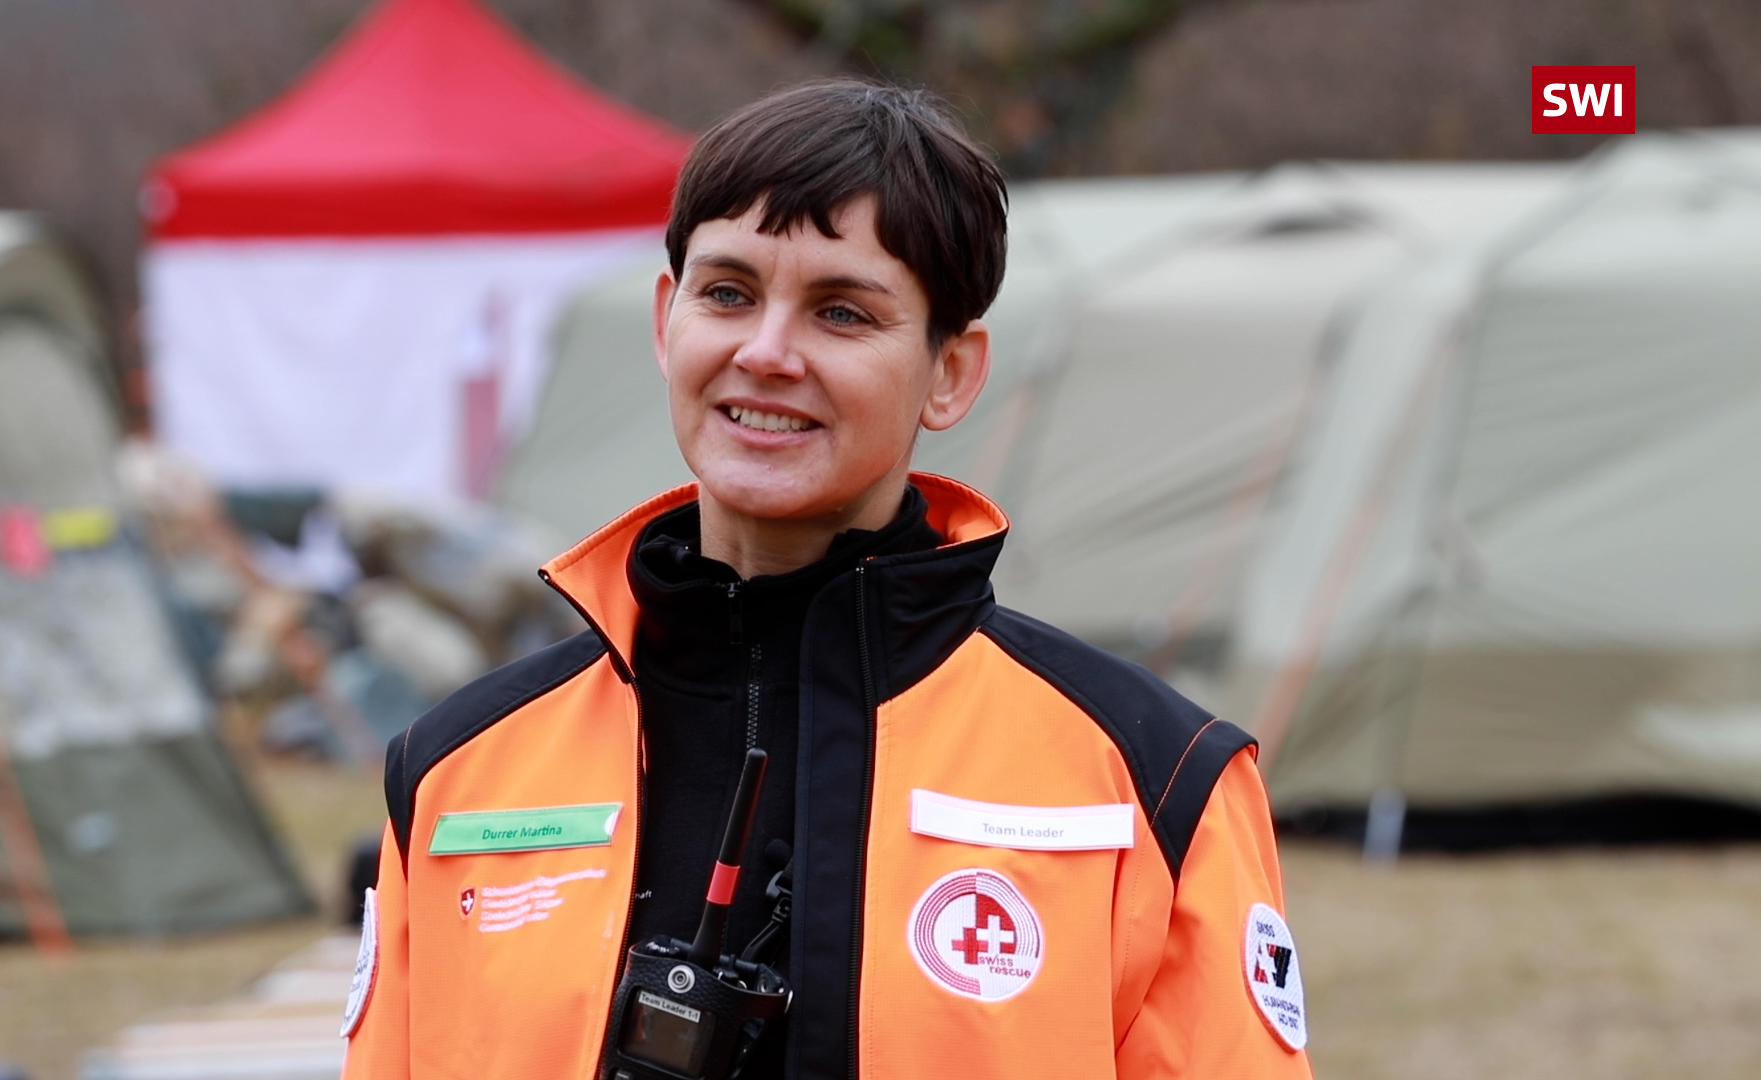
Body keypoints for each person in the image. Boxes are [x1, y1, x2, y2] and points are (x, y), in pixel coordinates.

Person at [341, 79, 1314, 1080]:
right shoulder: (457, 772)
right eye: (728, 294)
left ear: (951, 373)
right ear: (667, 323)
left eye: (841, 312)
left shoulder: (1154, 779)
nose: (766, 353)